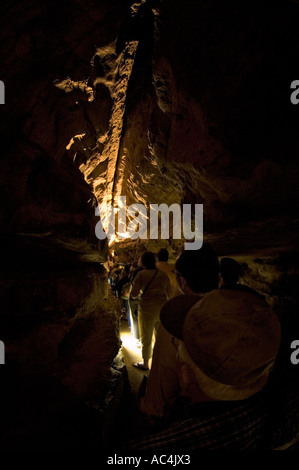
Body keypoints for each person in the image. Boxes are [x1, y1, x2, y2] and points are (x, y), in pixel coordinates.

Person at [140, 242, 219, 417]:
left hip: (194, 414)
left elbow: (163, 380)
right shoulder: (232, 311)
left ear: (182, 281)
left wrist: (153, 409)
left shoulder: (176, 324)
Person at [130, 251, 171, 371]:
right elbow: (169, 293)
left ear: (143, 262)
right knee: (159, 337)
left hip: (147, 308)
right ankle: (159, 362)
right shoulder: (163, 275)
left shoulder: (141, 275)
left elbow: (134, 294)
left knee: (146, 337)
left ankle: (146, 363)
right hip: (161, 308)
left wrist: (142, 294)